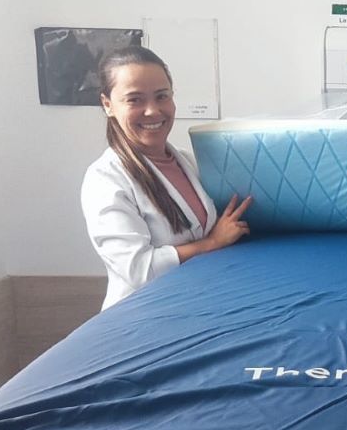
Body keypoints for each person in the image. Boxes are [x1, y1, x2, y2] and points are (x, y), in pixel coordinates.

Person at [82, 45, 251, 308]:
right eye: (134, 99)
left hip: (195, 303)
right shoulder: (105, 179)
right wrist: (212, 242)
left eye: (161, 96)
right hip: (145, 316)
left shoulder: (187, 161)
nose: (152, 111)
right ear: (108, 105)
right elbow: (140, 269)